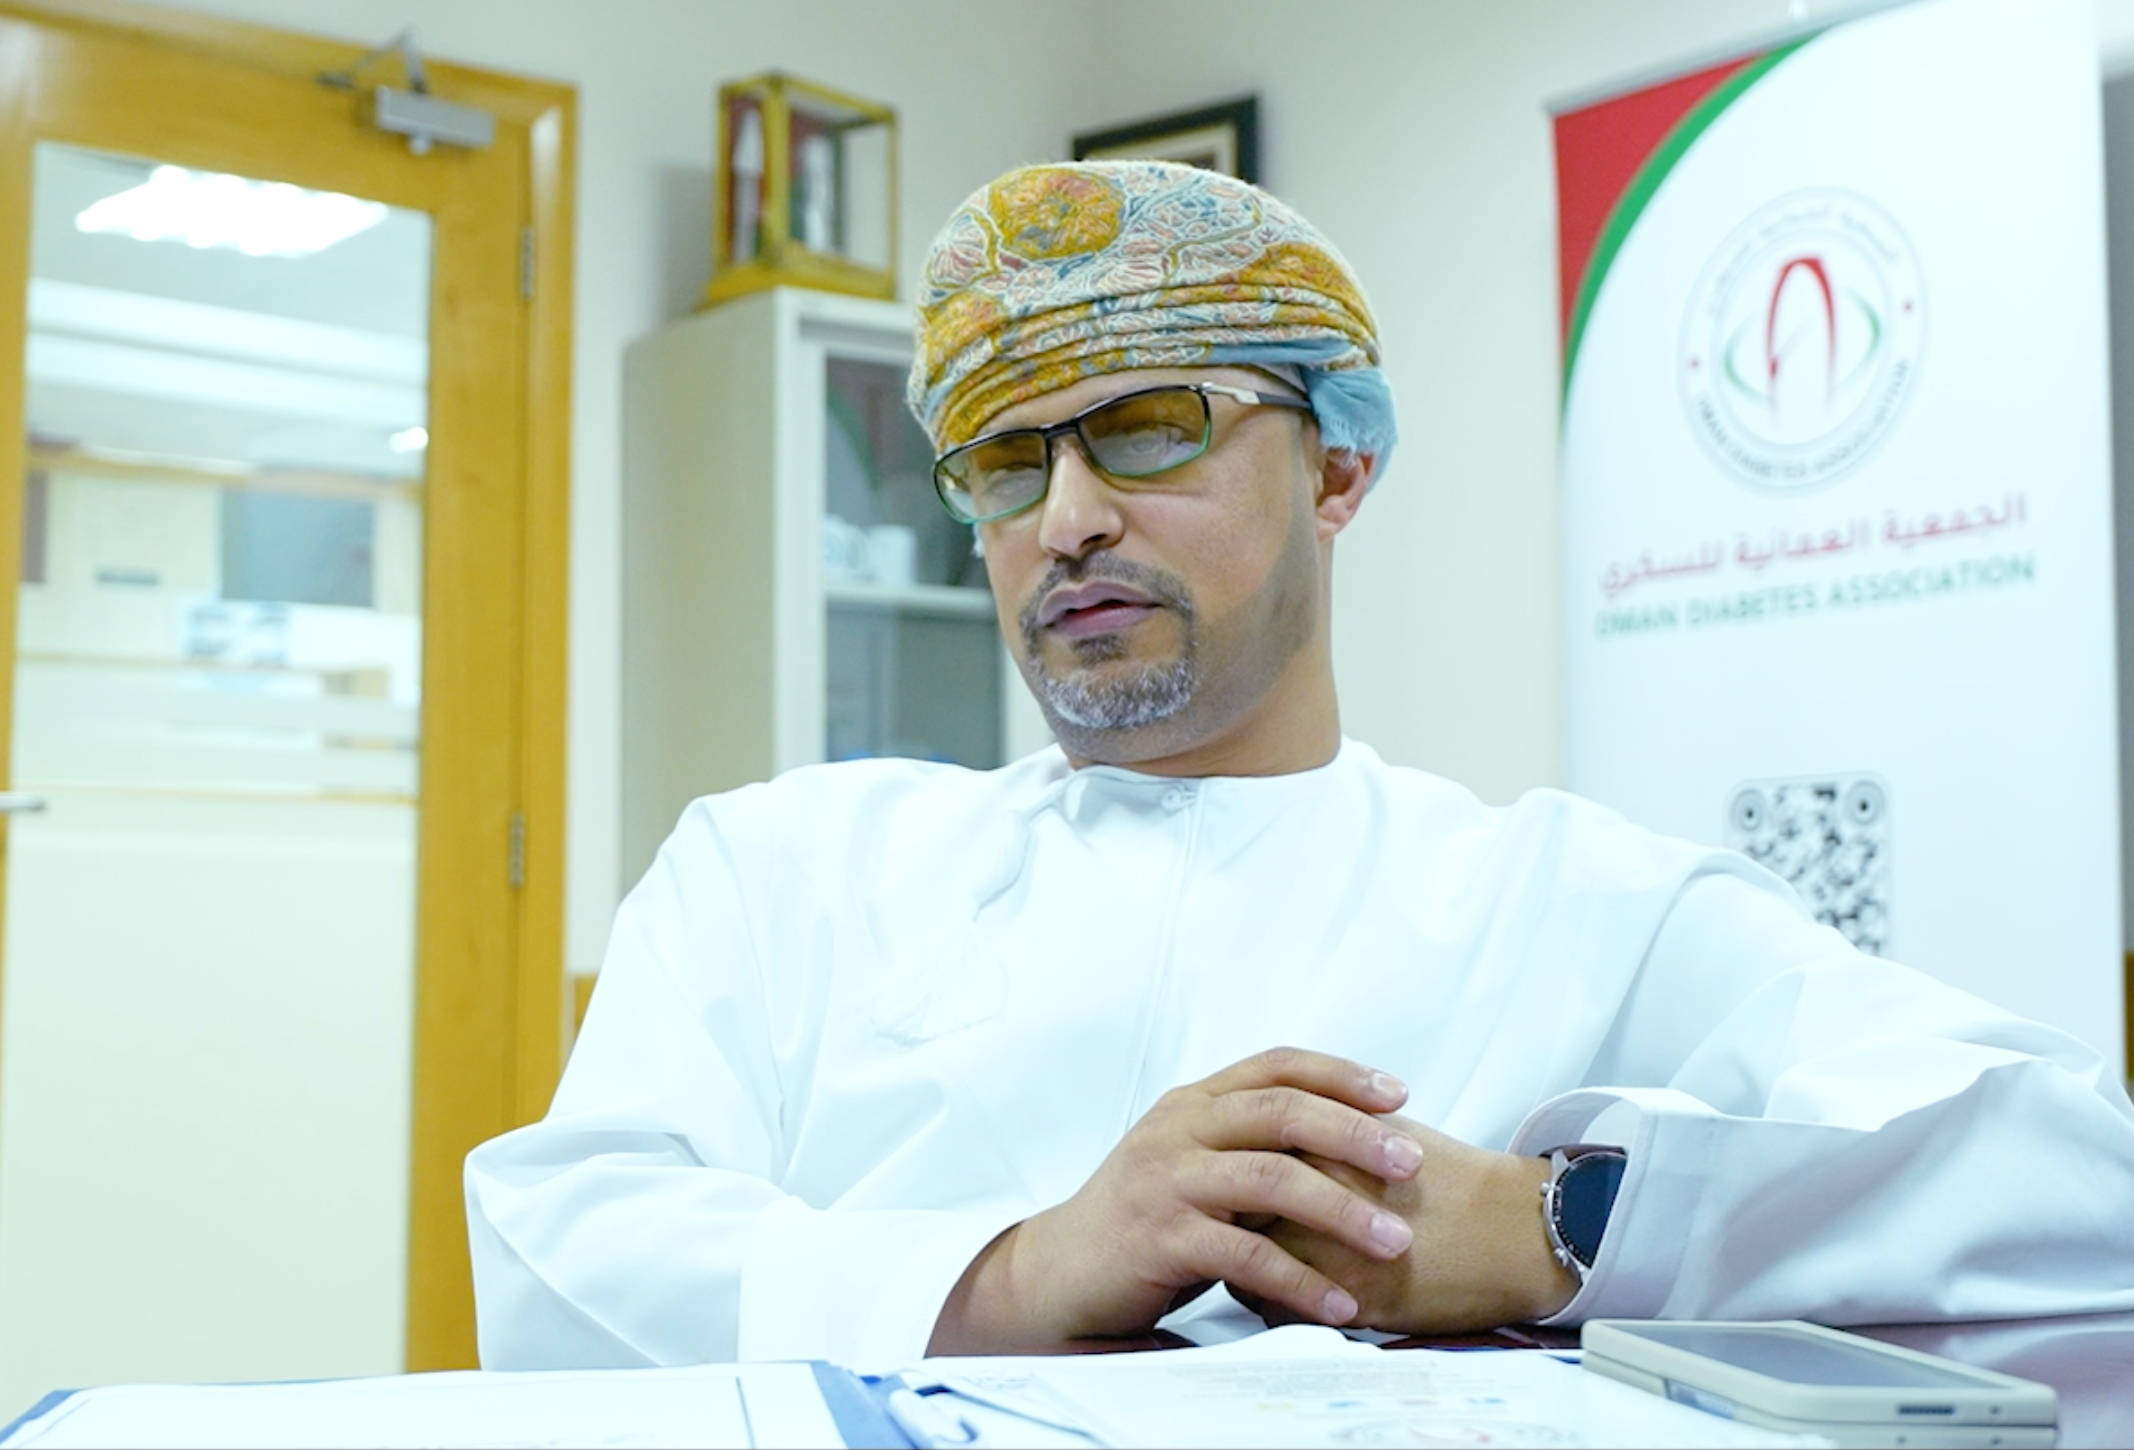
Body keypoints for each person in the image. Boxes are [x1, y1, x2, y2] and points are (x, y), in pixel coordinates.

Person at [465, 161, 2134, 1372]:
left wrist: (1555, 1230)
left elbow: (2077, 1181)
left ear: (1336, 467)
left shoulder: (1565, 902)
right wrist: (1004, 1272)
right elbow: (554, 1258)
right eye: (1001, 461)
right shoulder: (786, 867)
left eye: (1144, 427)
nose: (1064, 521)